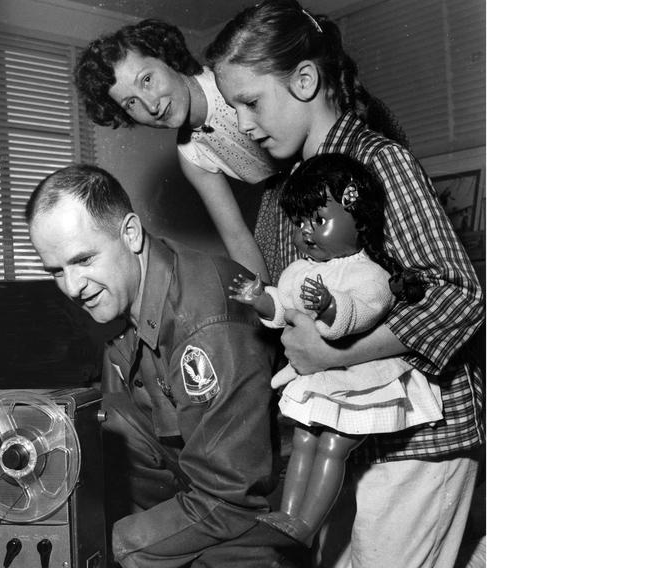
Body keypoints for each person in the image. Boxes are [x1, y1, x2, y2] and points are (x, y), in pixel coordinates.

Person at [206, 1, 486, 566]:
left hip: (419, 438)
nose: (240, 121)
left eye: (250, 101)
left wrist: (335, 355)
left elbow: (461, 294)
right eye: (232, 106)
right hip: (347, 434)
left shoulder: (381, 163)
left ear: (305, 80)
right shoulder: (285, 194)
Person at [25, 164, 301, 568]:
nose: (72, 287)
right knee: (95, 426)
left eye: (83, 259)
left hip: (261, 510)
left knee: (109, 545)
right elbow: (131, 447)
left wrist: (115, 543)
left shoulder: (206, 323)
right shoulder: (122, 300)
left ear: (131, 234)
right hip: (198, 485)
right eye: (56, 271)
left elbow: (233, 497)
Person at [228, 153, 444, 547]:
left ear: (358, 219)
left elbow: (360, 313)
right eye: (300, 224)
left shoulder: (371, 273)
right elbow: (282, 308)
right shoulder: (300, 270)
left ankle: (306, 525)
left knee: (332, 444)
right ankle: (287, 516)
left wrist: (330, 305)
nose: (307, 232)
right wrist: (261, 298)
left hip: (361, 377)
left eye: (319, 220)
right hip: (322, 377)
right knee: (305, 440)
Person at [74, 19, 297, 283]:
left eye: (147, 80)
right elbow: (237, 237)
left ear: (167, 58)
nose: (151, 105)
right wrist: (266, 303)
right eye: (131, 102)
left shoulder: (230, 78)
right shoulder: (191, 154)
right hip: (288, 211)